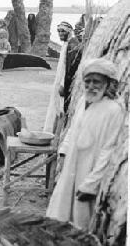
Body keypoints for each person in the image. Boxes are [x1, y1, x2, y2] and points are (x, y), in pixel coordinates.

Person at [46, 58, 125, 230]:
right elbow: (72, 129)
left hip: (90, 170)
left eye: (96, 81)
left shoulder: (114, 110)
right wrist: (64, 151)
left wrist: (91, 184)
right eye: (87, 81)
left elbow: (108, 151)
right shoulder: (83, 101)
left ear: (108, 83)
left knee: (82, 221)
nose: (91, 86)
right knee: (60, 213)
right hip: (71, 166)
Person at [43, 21, 75, 133]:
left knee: (61, 109)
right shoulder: (66, 44)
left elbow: (70, 68)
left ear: (69, 32)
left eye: (63, 31)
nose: (60, 33)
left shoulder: (71, 45)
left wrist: (63, 85)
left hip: (63, 83)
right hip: (59, 81)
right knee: (55, 108)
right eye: (59, 31)